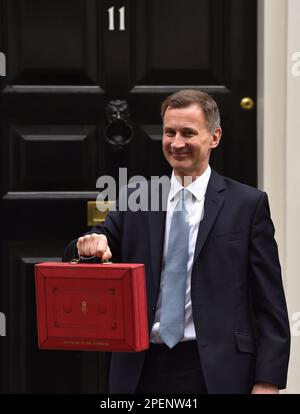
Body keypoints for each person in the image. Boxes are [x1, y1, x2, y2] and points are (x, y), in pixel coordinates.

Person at [64, 89, 290, 394]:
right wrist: (88, 244)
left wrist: (268, 381)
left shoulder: (247, 205)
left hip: (216, 370)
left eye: (188, 132)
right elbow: (88, 250)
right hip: (141, 369)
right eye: (170, 132)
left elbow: (270, 303)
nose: (177, 143)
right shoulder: (137, 198)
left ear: (214, 137)